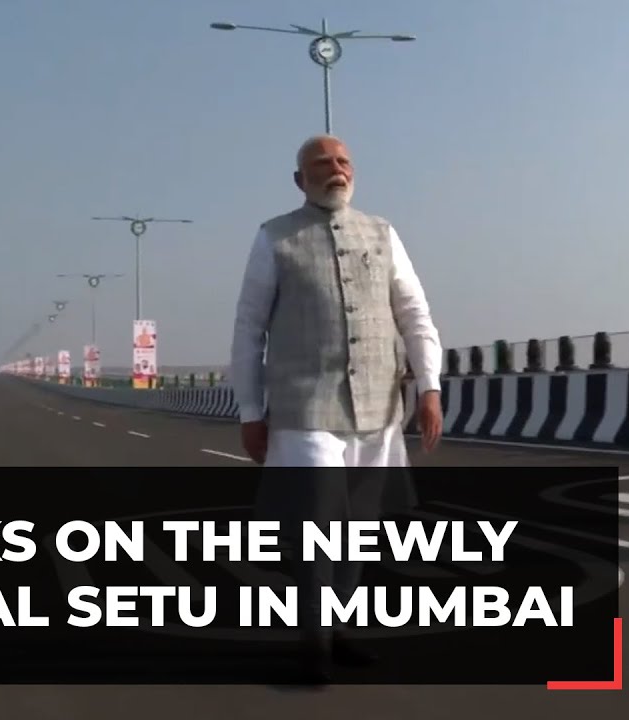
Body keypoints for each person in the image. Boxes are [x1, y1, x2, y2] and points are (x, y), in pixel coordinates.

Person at [228, 134, 444, 683]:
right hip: (305, 408)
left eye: (343, 161)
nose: (335, 170)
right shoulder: (274, 237)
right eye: (321, 164)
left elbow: (414, 312)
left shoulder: (383, 232)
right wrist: (251, 412)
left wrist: (430, 387)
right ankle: (313, 641)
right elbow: (250, 328)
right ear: (300, 180)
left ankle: (336, 628)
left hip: (378, 407)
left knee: (359, 530)